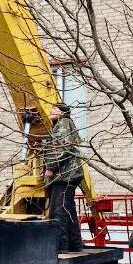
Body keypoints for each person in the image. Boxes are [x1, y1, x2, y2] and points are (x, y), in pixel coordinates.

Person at [43, 102, 84, 253]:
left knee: (58, 210)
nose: (51, 110)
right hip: (68, 175)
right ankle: (75, 245)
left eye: (55, 108)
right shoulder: (61, 124)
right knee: (68, 210)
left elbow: (62, 147)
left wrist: (50, 167)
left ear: (63, 112)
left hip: (64, 176)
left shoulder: (64, 123)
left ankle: (61, 247)